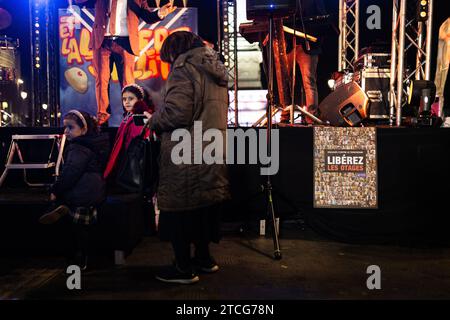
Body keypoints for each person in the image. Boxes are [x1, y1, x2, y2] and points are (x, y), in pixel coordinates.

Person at [144, 31, 230, 284]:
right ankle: (204, 259)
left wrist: (153, 121)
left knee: (180, 210)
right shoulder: (214, 70)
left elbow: (177, 114)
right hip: (211, 148)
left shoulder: (183, 69)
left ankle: (183, 268)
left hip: (187, 152)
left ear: (174, 51)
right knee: (204, 206)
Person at [72, 0, 176, 125]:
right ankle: (102, 118)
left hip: (126, 43)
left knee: (128, 82)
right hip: (103, 41)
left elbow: (147, 16)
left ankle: (130, 116)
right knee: (101, 80)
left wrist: (160, 13)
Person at [39, 110, 109, 270]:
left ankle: (57, 207)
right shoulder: (95, 143)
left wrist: (55, 189)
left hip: (82, 192)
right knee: (85, 227)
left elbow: (71, 172)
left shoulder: (78, 147)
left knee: (76, 229)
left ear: (83, 130)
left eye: (70, 127)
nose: (66, 131)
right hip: (96, 191)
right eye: (65, 128)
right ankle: (87, 258)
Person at [280, 0, 331, 124]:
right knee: (285, 82)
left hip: (308, 47)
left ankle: (311, 116)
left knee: (308, 81)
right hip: (289, 46)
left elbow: (323, 21)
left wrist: (315, 39)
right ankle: (286, 113)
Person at [104, 83, 154, 180]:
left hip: (136, 159)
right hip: (127, 157)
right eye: (124, 99)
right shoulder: (128, 117)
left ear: (140, 100)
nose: (126, 102)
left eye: (131, 99)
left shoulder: (143, 117)